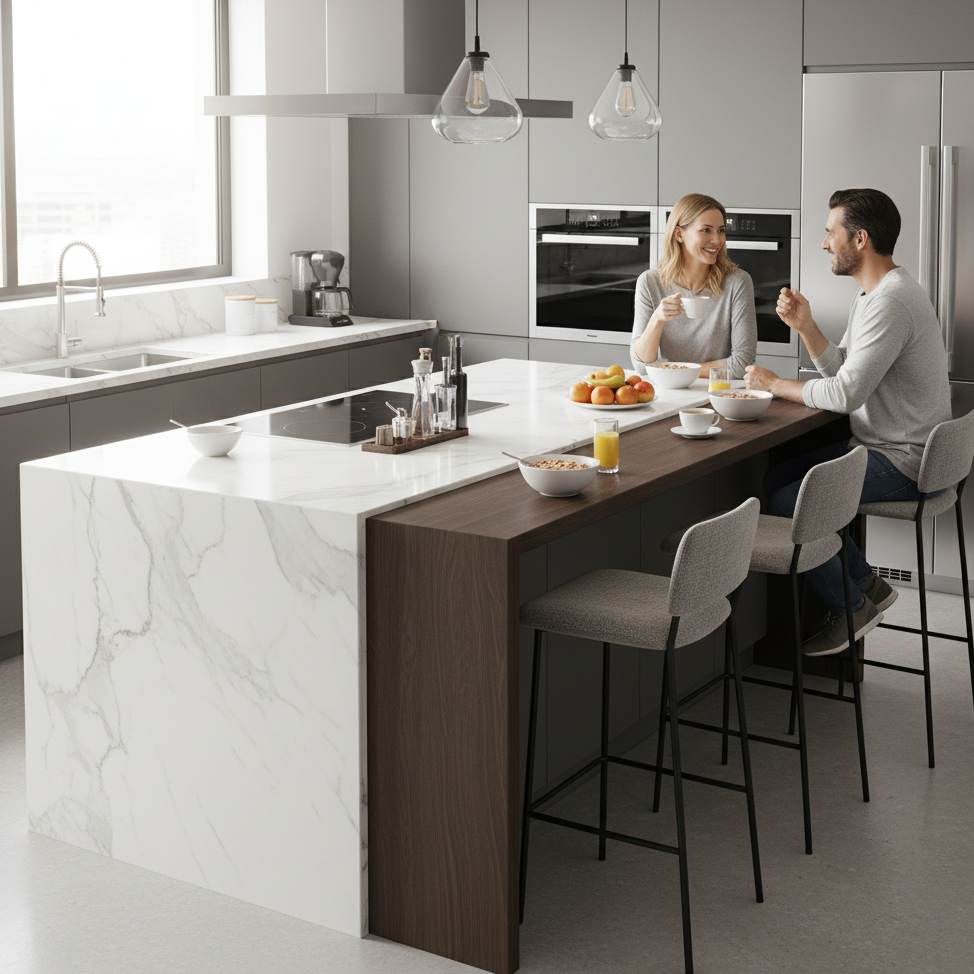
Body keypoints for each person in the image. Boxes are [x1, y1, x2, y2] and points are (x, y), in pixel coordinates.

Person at [744, 188, 952, 657]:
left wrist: (775, 385)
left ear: (859, 239)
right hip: (890, 446)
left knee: (784, 502)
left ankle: (853, 605)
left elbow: (843, 394)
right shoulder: (873, 294)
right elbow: (843, 370)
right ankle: (866, 584)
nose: (823, 244)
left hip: (905, 462)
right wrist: (806, 327)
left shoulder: (890, 303)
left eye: (829, 232)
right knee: (778, 477)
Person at [630, 193, 757, 380]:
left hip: (717, 396)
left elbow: (742, 364)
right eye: (706, 230)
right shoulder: (650, 283)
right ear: (679, 234)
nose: (717, 240)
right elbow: (642, 366)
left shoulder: (737, 283)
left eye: (721, 230)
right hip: (666, 395)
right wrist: (657, 319)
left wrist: (675, 371)